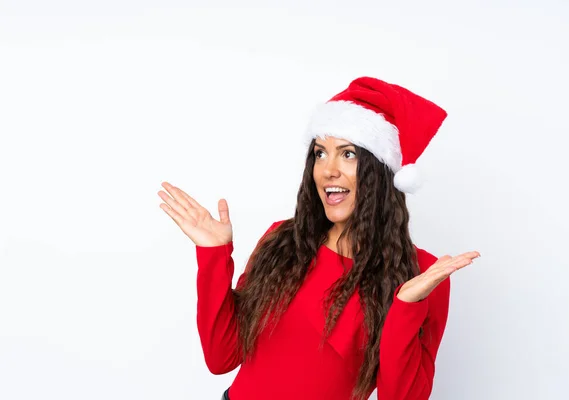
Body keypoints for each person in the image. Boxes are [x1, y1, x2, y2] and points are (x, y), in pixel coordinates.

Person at [158, 76, 480, 400]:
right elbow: (221, 358)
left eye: (348, 154)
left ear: (381, 171)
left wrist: (406, 306)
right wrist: (213, 255)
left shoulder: (421, 273)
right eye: (320, 153)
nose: (328, 170)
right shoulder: (282, 241)